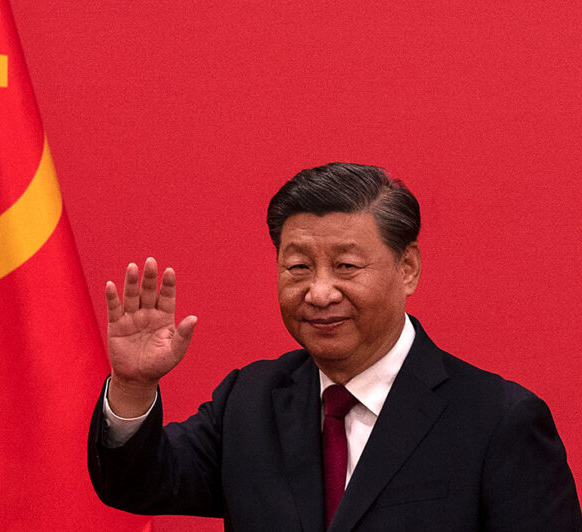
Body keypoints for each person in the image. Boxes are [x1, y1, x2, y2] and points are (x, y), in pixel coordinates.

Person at [87, 163, 582, 531]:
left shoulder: (498, 420)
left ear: (407, 269)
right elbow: (138, 484)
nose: (320, 293)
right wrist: (133, 386)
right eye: (298, 267)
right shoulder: (249, 401)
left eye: (346, 266)